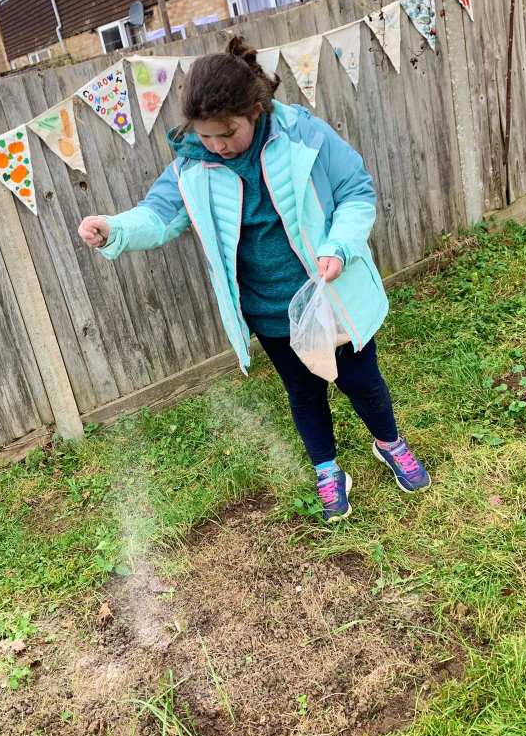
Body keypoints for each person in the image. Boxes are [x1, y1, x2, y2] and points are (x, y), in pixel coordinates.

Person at [78, 37, 430, 521]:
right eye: (206, 137)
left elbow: (355, 190)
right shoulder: (192, 164)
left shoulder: (303, 134)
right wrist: (115, 228)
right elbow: (160, 215)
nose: (218, 146)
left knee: (361, 379)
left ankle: (389, 442)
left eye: (228, 133)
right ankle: (327, 470)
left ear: (256, 110)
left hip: (332, 297)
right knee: (303, 392)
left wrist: (339, 246)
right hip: (270, 312)